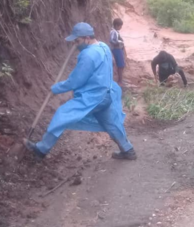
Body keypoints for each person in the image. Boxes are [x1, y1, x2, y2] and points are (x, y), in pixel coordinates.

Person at [24, 22, 137, 161]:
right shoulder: (104, 47)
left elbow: (76, 80)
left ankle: (41, 149)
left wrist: (56, 88)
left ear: (87, 38)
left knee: (62, 114)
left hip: (93, 97)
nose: (76, 45)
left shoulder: (88, 55)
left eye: (77, 41)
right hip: (107, 94)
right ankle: (128, 150)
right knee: (111, 124)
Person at [110, 18, 126, 86]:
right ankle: (120, 81)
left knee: (121, 65)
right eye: (120, 26)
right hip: (117, 50)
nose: (121, 27)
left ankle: (120, 79)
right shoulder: (113, 32)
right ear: (116, 25)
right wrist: (121, 42)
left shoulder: (115, 31)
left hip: (118, 49)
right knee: (120, 65)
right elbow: (112, 40)